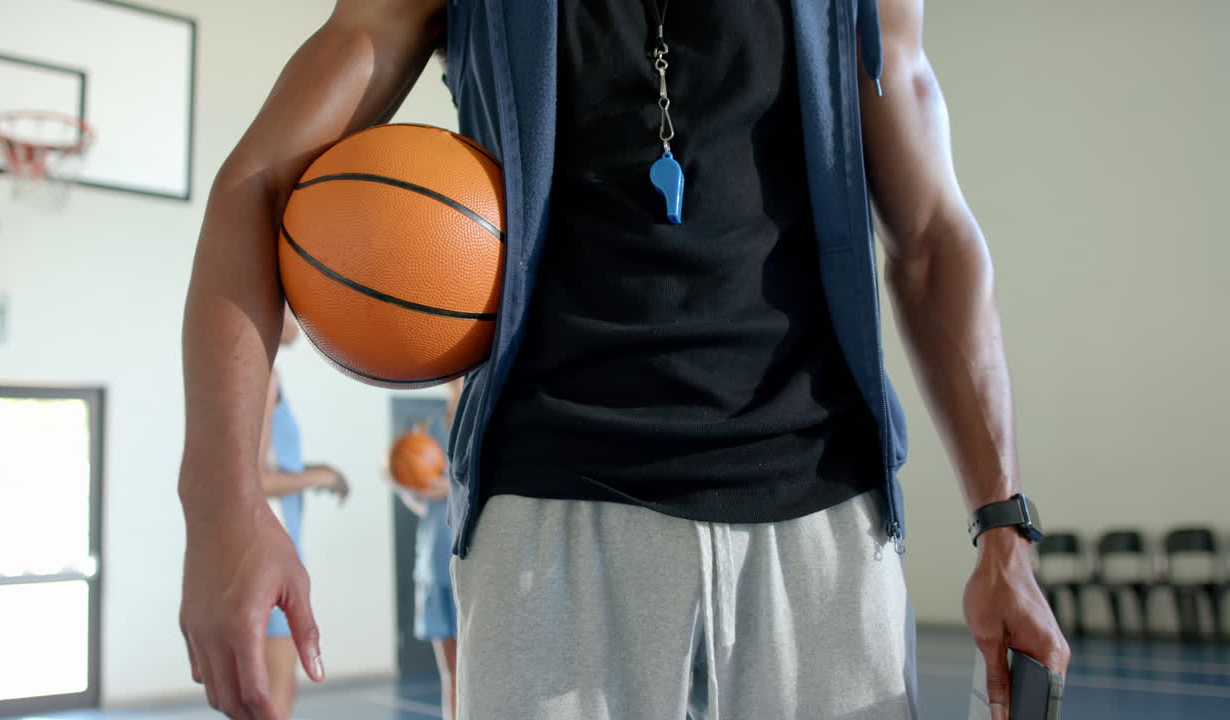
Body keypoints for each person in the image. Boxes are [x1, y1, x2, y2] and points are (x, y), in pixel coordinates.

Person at [178, 2, 1071, 719]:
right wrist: (222, 507)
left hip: (821, 517)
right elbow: (258, 182)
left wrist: (1004, 527)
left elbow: (931, 239)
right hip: (547, 517)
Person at [257, 305, 350, 717]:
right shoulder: (265, 378)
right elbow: (254, 479)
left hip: (270, 542)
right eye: (293, 311)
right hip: (271, 546)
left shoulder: (261, 375)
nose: (302, 321)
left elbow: (276, 467)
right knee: (276, 695)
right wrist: (319, 478)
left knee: (268, 691)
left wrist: (321, 471)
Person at [386, 378, 463, 720]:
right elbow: (424, 502)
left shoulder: (482, 418)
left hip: (467, 558)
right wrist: (398, 481)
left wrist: (452, 488)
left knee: (473, 671)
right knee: (450, 675)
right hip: (433, 559)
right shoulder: (427, 427)